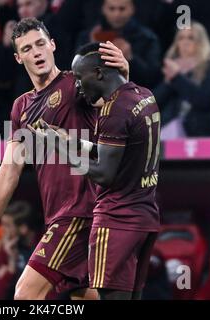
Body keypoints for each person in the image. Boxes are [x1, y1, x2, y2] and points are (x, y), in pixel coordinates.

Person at [0, 18, 129, 300]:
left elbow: (118, 106)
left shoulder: (76, 83)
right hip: (58, 215)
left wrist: (123, 75)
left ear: (52, 45)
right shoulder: (22, 107)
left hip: (81, 212)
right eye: (27, 48)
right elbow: (9, 170)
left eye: (41, 44)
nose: (36, 52)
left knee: (24, 296)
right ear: (18, 58)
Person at [42, 42, 160, 299]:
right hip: (145, 218)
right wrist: (69, 141)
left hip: (117, 221)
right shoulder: (144, 95)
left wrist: (59, 149)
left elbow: (104, 174)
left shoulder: (113, 110)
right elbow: (115, 150)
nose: (77, 86)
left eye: (79, 77)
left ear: (98, 72)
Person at [154, 22, 210, 137]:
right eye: (181, 38)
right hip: (173, 133)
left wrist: (177, 78)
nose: (185, 42)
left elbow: (205, 100)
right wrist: (169, 80)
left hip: (204, 136)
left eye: (191, 38)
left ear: (201, 43)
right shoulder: (175, 68)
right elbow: (155, 103)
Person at [76, 0, 161, 88]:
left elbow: (153, 78)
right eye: (111, 8)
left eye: (122, 9)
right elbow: (75, 71)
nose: (117, 14)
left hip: (134, 94)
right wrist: (92, 50)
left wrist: (131, 58)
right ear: (103, 9)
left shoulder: (147, 38)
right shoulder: (88, 36)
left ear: (132, 9)